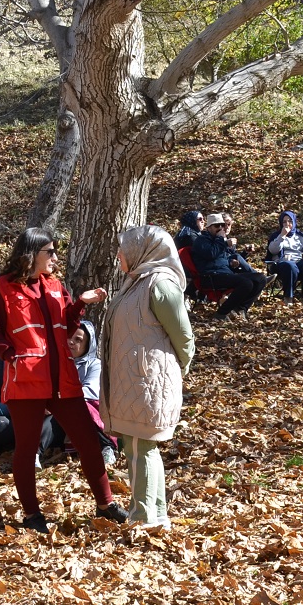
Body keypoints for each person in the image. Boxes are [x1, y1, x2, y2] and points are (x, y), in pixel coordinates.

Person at [0, 228, 127, 532]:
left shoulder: (55, 285)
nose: (55, 258)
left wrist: (80, 303)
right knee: (27, 448)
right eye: (50, 251)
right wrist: (11, 355)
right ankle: (32, 514)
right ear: (32, 253)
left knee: (88, 440)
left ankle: (106, 504)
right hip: (26, 383)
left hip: (63, 380)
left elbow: (67, 325)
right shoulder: (3, 287)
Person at [102, 226, 195, 529]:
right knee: (137, 446)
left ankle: (143, 518)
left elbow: (184, 336)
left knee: (142, 446)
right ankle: (155, 516)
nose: (119, 255)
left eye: (123, 249)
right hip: (132, 381)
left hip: (148, 381)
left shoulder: (160, 285)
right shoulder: (135, 283)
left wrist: (175, 370)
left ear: (143, 251)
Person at [42, 319, 120, 468]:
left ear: (87, 345)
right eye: (69, 336)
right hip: (57, 413)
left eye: (78, 340)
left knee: (79, 407)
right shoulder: (55, 364)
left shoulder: (94, 364)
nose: (71, 342)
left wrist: (58, 400)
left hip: (84, 411)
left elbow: (90, 391)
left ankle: (106, 447)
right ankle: (36, 454)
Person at [190, 213, 266, 321]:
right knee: (246, 283)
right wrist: (222, 240)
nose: (220, 228)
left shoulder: (219, 240)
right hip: (210, 276)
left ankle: (240, 309)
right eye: (217, 226)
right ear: (209, 228)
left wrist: (231, 262)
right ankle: (221, 313)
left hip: (224, 273)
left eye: (222, 225)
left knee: (260, 278)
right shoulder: (202, 240)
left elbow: (223, 258)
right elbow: (211, 254)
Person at [265, 210, 303, 302]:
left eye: (290, 221)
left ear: (294, 222)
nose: (287, 224)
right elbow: (273, 250)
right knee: (290, 266)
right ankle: (288, 297)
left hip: (299, 262)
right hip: (281, 263)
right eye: (284, 221)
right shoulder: (276, 236)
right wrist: (282, 236)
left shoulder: (301, 236)